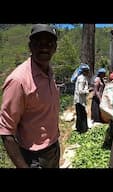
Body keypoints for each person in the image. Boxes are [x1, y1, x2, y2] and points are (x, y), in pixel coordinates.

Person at [0, 24, 60, 168]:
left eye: (49, 43)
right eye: (38, 42)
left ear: (55, 47)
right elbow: (6, 132)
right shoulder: (18, 81)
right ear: (30, 46)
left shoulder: (49, 72)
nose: (44, 47)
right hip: (34, 158)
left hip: (53, 149)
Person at [74, 63, 91, 133]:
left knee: (80, 115)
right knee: (82, 115)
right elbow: (80, 91)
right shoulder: (82, 79)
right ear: (84, 71)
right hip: (80, 100)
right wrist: (88, 91)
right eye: (87, 71)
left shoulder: (82, 77)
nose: (88, 72)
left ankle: (79, 128)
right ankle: (83, 130)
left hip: (79, 100)